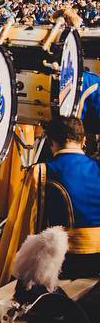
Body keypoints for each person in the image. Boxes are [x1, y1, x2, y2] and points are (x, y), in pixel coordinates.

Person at [40, 115, 100, 278]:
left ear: (51, 143)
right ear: (83, 142)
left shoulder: (43, 171)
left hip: (68, 259)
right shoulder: (97, 167)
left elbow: (29, 225)